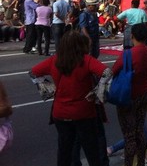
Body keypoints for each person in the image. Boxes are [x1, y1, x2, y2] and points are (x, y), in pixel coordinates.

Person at [30, 31, 111, 166]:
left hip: (60, 112)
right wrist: (97, 92)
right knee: (92, 151)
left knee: (64, 149)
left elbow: (33, 72)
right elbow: (107, 72)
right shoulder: (86, 60)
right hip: (84, 112)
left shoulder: (54, 60)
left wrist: (49, 88)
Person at [112, 23, 147, 166]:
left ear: (132, 36)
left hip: (128, 95)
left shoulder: (128, 54)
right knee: (139, 130)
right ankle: (141, 163)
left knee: (129, 135)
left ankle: (128, 163)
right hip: (145, 93)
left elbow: (113, 71)